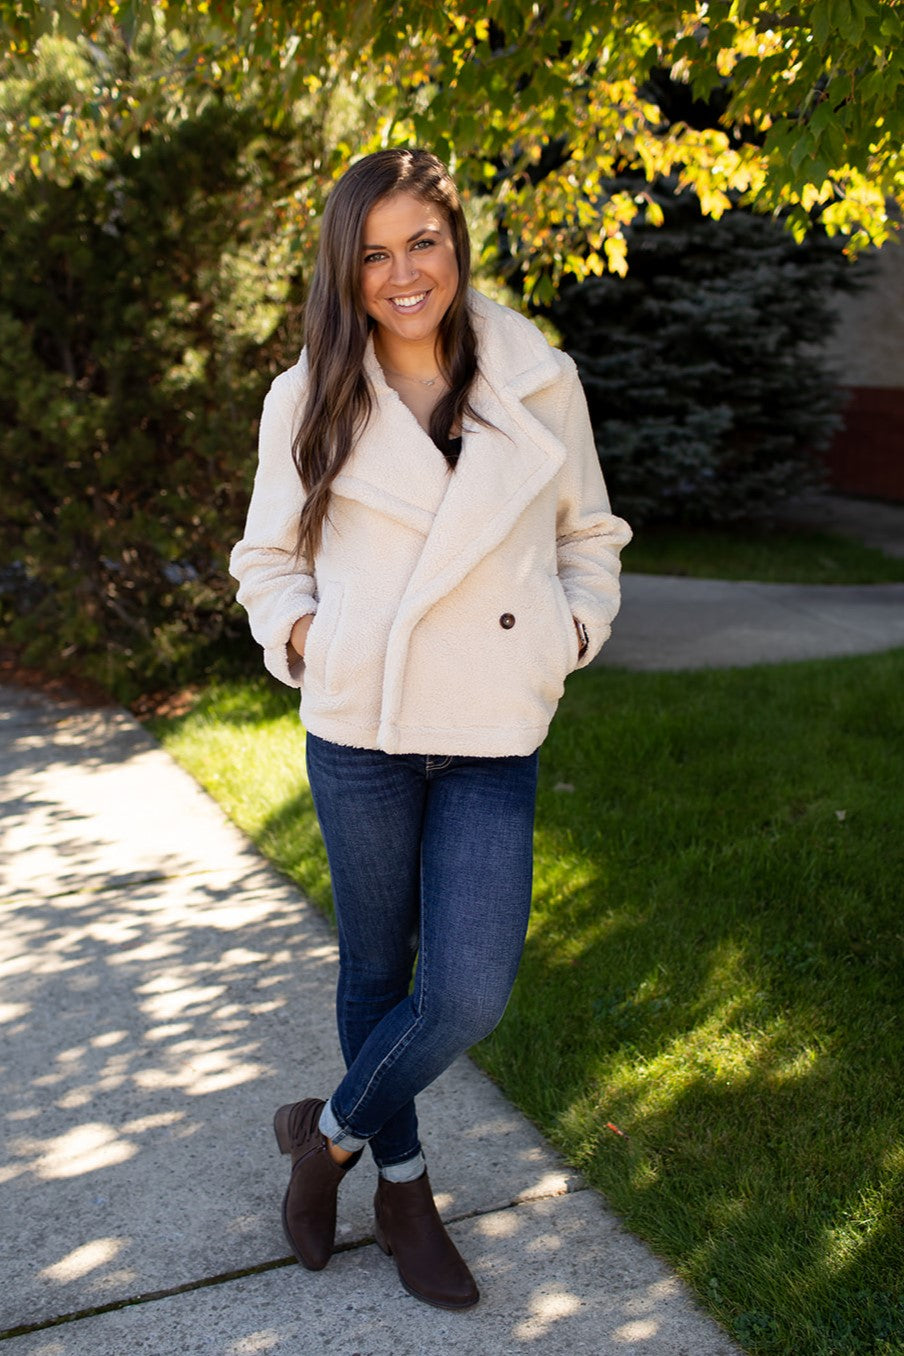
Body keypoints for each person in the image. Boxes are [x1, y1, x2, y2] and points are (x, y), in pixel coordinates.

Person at [229, 147, 631, 1311]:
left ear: (457, 246)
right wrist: (316, 640)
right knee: (375, 970)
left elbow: (588, 536)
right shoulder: (309, 395)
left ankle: (327, 1141)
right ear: (343, 270)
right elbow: (266, 560)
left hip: (492, 725)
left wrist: (567, 633)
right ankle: (405, 1194)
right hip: (363, 726)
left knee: (465, 993)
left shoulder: (537, 379)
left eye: (423, 243)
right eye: (374, 253)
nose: (403, 274)